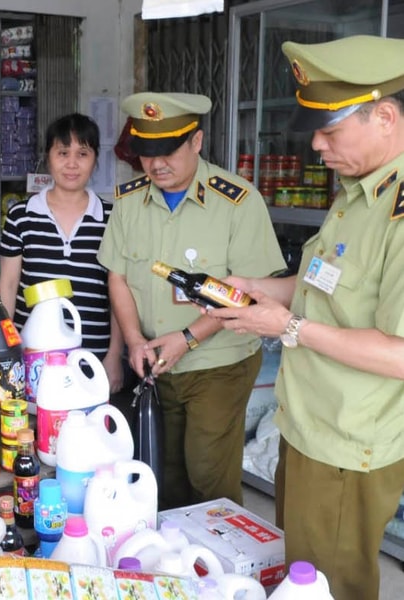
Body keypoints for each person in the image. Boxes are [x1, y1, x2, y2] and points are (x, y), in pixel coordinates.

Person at [208, 35, 404, 600]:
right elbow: (321, 285)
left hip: (349, 442)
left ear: (385, 117)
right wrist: (248, 290)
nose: (316, 144)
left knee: (331, 584)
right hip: (307, 426)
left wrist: (287, 328)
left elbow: (398, 353)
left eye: (331, 129)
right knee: (304, 574)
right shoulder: (357, 193)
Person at [97, 93, 286, 509]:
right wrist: (132, 341)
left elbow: (247, 295)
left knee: (208, 477)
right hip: (155, 364)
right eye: (147, 152)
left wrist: (187, 337)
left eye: (168, 150)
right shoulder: (129, 201)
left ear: (196, 142)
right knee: (162, 478)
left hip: (217, 364)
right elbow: (119, 277)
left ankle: (219, 567)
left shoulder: (237, 201)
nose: (156, 163)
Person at [0, 113, 124, 392]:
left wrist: (114, 355)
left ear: (94, 160)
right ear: (48, 157)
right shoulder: (21, 215)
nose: (71, 163)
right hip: (32, 353)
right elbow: (7, 285)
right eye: (62, 152)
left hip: (91, 355)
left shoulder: (111, 218)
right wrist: (7, 348)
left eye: (82, 153)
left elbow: (118, 291)